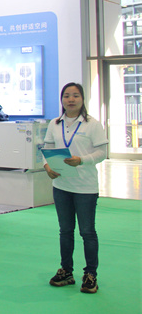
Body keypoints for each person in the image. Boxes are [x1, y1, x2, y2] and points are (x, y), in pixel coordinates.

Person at [44, 82, 107, 294]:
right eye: (67, 95)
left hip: (85, 187)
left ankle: (90, 275)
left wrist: (82, 160)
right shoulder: (54, 124)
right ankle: (66, 271)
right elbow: (47, 149)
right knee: (65, 231)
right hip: (61, 185)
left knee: (87, 232)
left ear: (82, 99)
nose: (71, 99)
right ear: (62, 99)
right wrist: (47, 166)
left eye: (75, 95)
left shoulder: (92, 124)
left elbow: (102, 153)